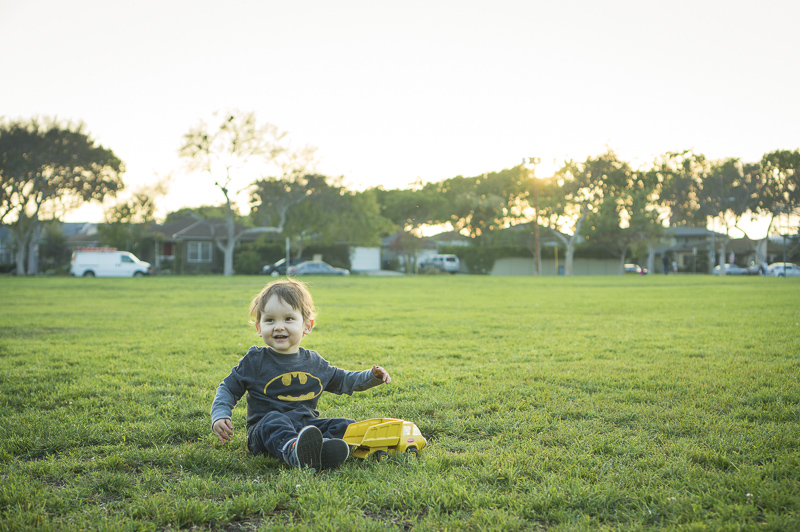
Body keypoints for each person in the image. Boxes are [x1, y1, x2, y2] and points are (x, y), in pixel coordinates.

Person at [210, 278, 391, 471]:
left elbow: (343, 380)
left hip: (306, 426)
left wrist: (371, 376)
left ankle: (325, 448)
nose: (278, 326)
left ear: (307, 326)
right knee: (274, 420)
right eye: (270, 320)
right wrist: (220, 414)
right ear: (259, 328)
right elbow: (228, 388)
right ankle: (294, 451)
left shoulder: (314, 362)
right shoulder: (255, 361)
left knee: (345, 425)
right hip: (264, 433)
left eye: (288, 318)